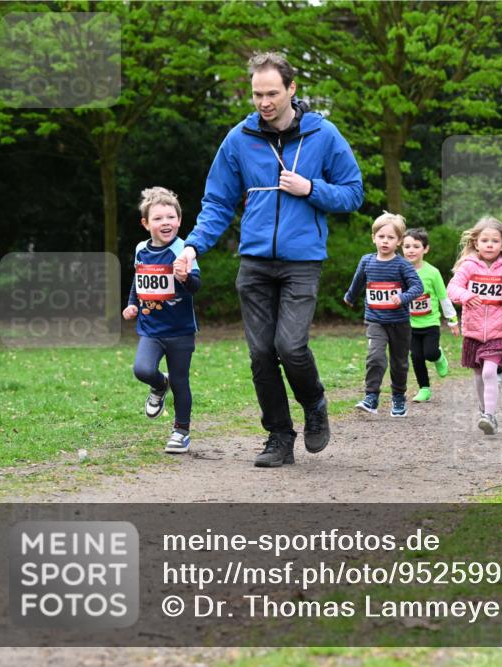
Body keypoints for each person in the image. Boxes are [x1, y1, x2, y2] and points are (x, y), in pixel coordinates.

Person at [173, 52, 363, 468]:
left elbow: (353, 193)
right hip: (255, 262)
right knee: (261, 354)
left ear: (292, 90)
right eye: (257, 94)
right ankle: (279, 436)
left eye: (272, 93)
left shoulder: (323, 135)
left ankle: (314, 404)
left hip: (302, 261)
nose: (264, 102)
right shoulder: (238, 139)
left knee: (290, 346)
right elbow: (218, 202)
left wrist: (310, 188)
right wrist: (192, 246)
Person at [122, 187, 200, 454]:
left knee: (181, 381)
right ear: (145, 224)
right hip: (151, 328)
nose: (165, 223)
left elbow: (196, 286)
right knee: (142, 369)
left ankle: (181, 431)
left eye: (170, 217)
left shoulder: (184, 250)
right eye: (158, 218)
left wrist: (185, 278)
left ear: (179, 220)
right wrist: (132, 303)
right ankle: (158, 383)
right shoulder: (141, 250)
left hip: (180, 330)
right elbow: (138, 278)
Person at [447, 217, 502, 435]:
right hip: (472, 330)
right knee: (478, 375)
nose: (489, 245)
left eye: (494, 241)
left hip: (497, 330)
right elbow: (452, 288)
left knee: (490, 372)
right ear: (476, 243)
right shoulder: (468, 266)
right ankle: (484, 410)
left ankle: (490, 415)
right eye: (485, 240)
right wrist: (465, 295)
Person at [344, 213, 423, 417]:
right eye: (381, 236)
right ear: (373, 238)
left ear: (398, 242)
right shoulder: (367, 261)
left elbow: (417, 287)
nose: (385, 241)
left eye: (390, 238)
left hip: (399, 322)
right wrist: (350, 297)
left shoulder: (402, 265)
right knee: (375, 357)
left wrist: (403, 297)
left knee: (399, 363)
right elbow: (358, 281)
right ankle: (371, 397)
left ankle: (398, 397)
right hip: (375, 320)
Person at [401, 228, 459, 403]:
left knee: (430, 353)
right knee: (416, 357)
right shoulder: (398, 270)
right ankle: (424, 389)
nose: (411, 250)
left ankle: (439, 357)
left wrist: (452, 320)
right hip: (409, 323)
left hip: (430, 322)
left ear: (425, 249)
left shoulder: (432, 273)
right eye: (407, 246)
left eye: (416, 246)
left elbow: (443, 297)